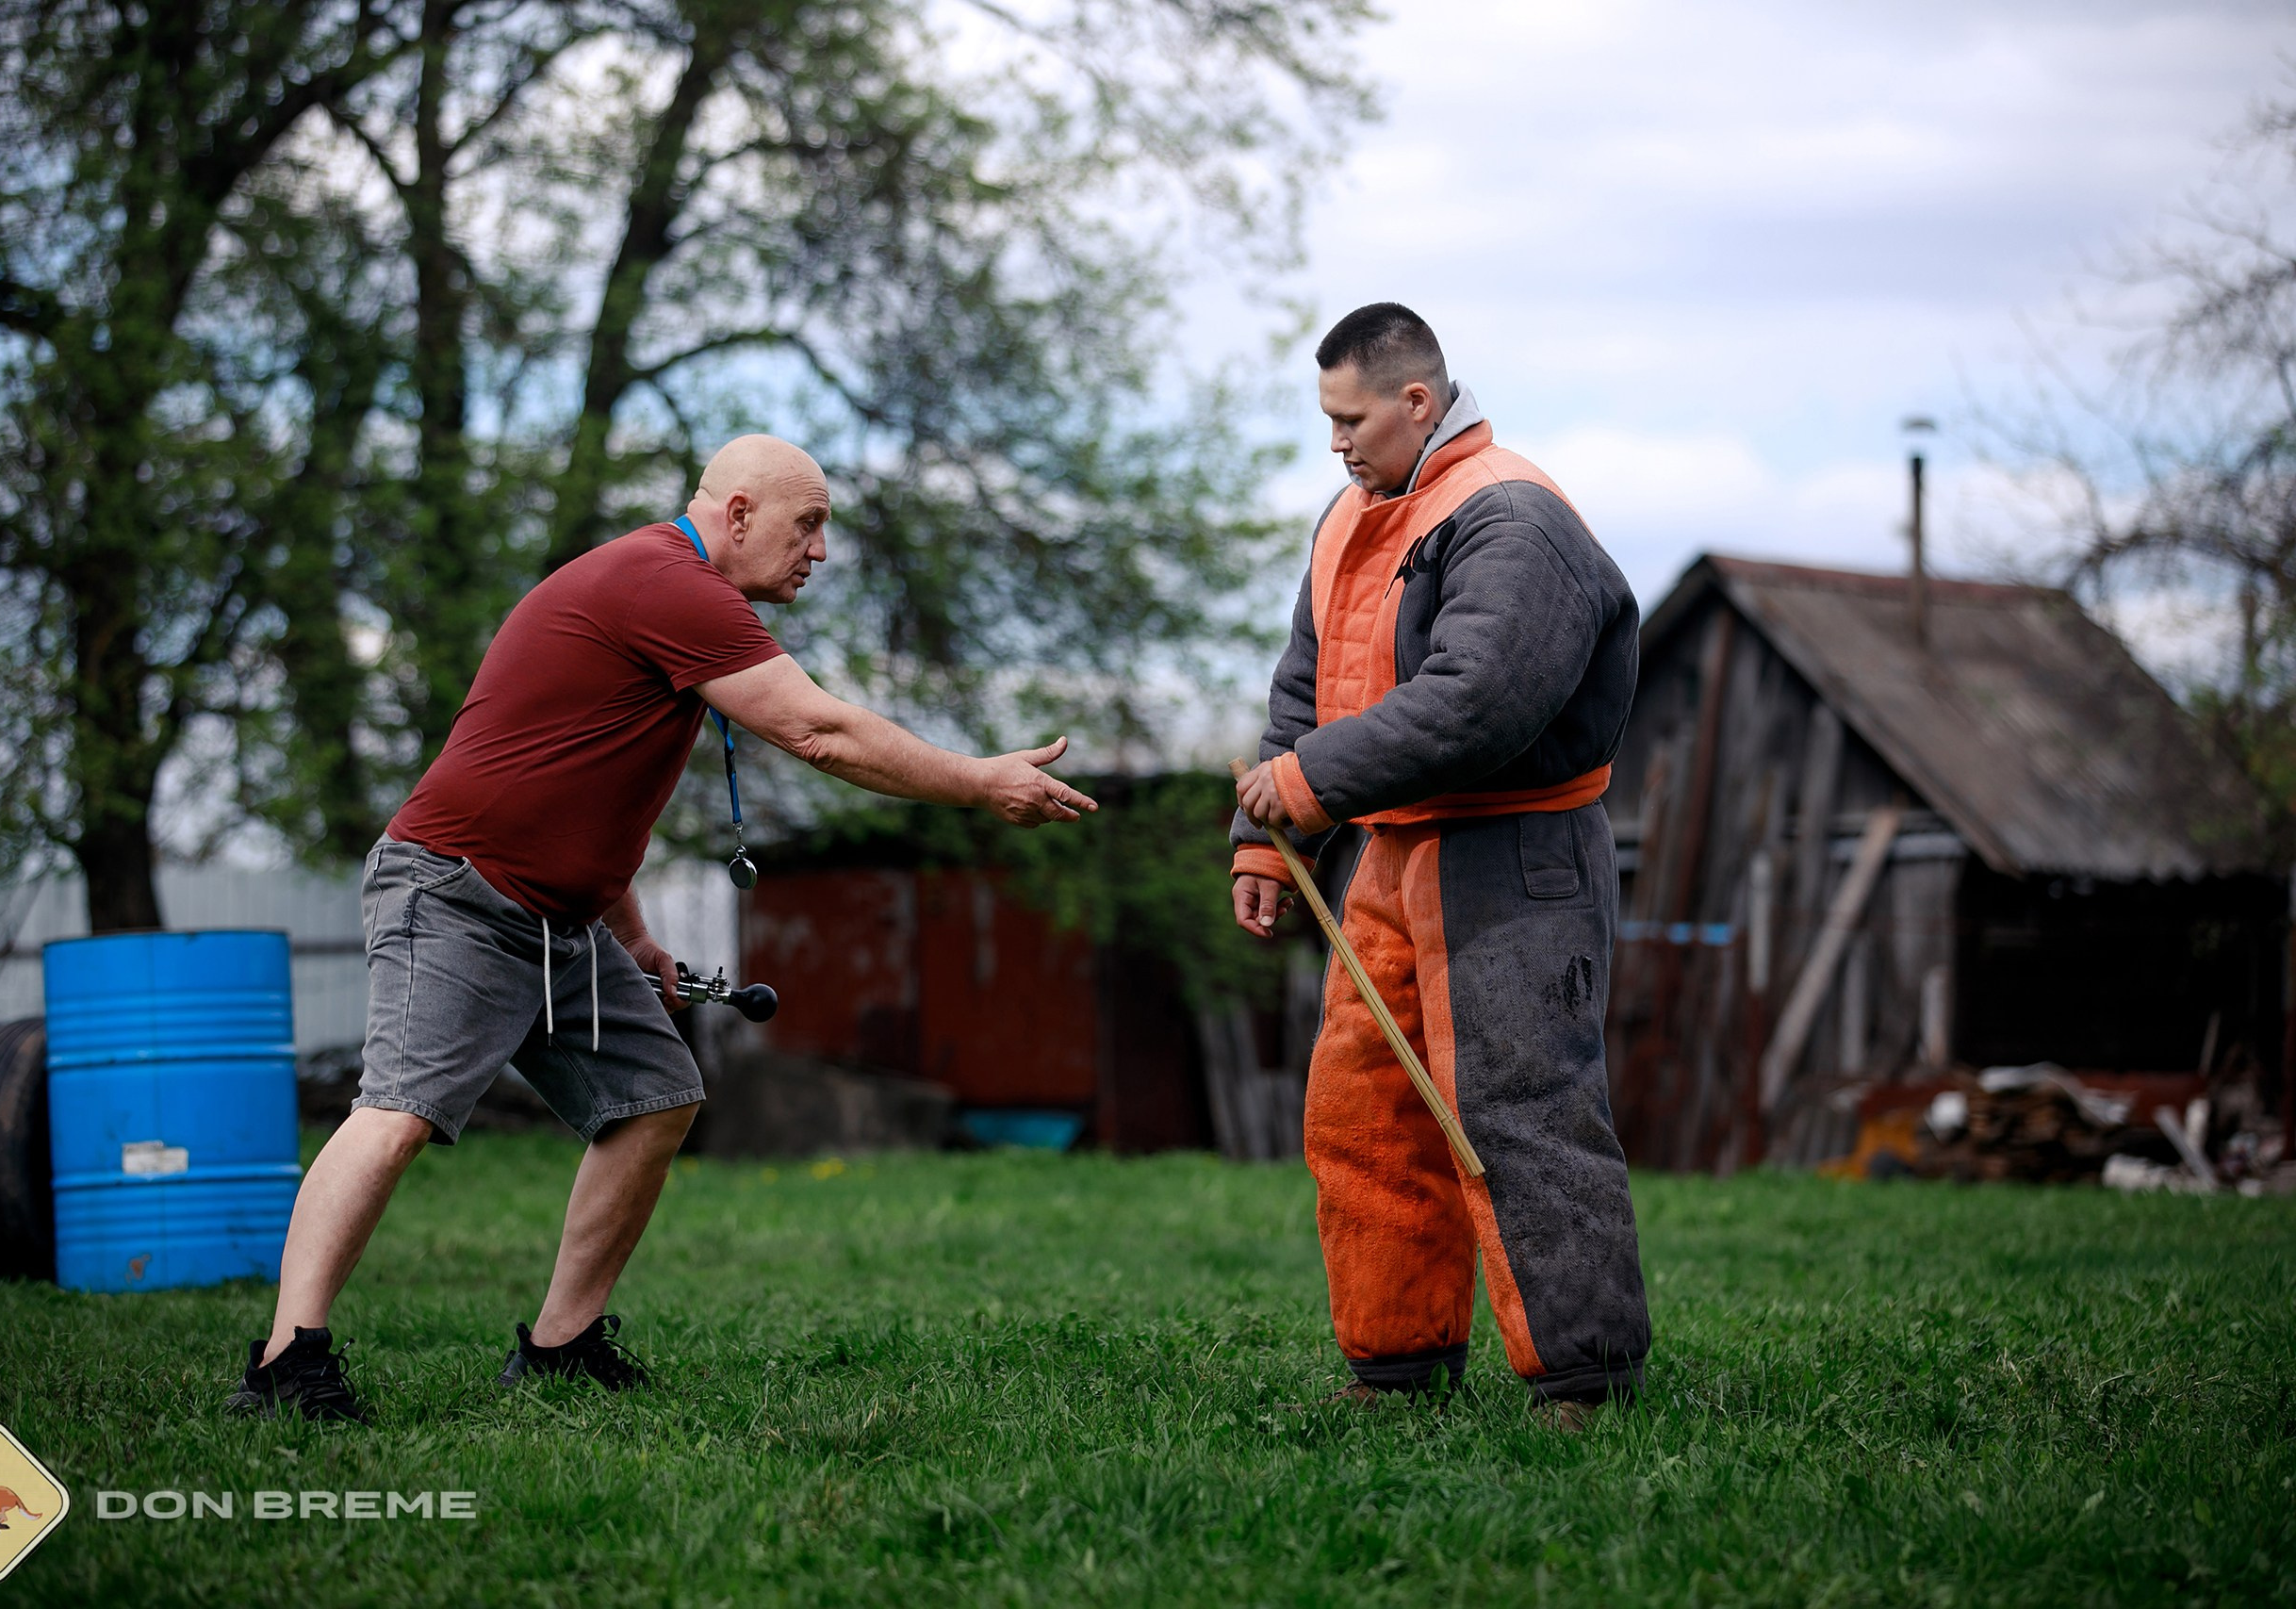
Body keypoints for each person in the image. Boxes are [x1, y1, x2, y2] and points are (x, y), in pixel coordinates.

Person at [226, 435, 1095, 1422]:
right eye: (807, 524)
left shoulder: (670, 594)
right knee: (395, 1115)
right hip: (456, 891)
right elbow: (817, 731)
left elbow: (582, 787)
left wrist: (630, 933)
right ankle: (284, 1364)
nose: (819, 551)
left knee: (654, 1098)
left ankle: (561, 1348)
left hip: (558, 918)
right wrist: (979, 781)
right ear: (738, 514)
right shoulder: (666, 581)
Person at [1230, 304, 1649, 1428]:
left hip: (1515, 852)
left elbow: (1478, 705)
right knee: (1363, 1113)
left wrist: (1306, 786)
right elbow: (1303, 689)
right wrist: (1267, 841)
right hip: (1385, 854)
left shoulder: (1512, 515)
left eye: (1351, 419)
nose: (1336, 443)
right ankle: (1397, 1369)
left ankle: (1585, 1381)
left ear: (1417, 402)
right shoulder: (1347, 516)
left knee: (1523, 1112)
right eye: (1326, 421)